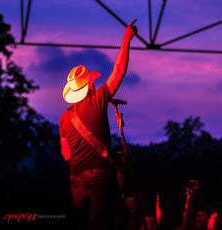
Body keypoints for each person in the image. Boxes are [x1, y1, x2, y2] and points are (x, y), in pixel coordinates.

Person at [59, 19, 138, 230]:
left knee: (80, 224)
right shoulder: (98, 100)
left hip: (75, 178)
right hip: (99, 175)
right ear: (90, 86)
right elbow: (119, 70)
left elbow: (66, 155)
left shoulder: (64, 117)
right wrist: (126, 40)